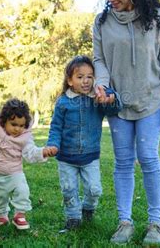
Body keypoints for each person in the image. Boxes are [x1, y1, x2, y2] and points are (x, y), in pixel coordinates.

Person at [92, 0, 160, 245]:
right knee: (123, 162)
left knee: (149, 157)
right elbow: (99, 59)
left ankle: (156, 224)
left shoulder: (158, 18)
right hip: (118, 102)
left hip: (152, 99)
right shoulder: (102, 22)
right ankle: (125, 221)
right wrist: (102, 85)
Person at [46, 55, 122, 233]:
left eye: (89, 76)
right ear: (70, 81)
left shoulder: (97, 98)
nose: (86, 81)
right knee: (68, 189)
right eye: (80, 77)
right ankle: (73, 217)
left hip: (90, 156)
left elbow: (114, 108)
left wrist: (111, 98)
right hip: (66, 157)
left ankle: (87, 209)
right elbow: (56, 127)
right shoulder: (63, 102)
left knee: (95, 189)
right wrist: (53, 144)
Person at [0, 80, 58, 230]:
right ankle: (2, 215)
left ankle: (20, 215)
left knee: (22, 190)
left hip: (14, 172)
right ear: (4, 121)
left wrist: (43, 152)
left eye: (21, 126)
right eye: (13, 125)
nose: (17, 129)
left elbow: (30, 153)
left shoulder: (24, 138)